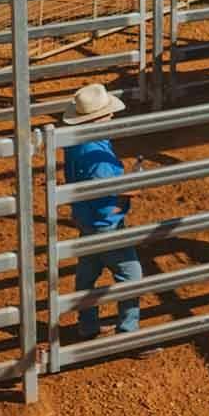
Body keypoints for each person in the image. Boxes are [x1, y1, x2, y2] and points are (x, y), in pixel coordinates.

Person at [59, 84, 144, 341]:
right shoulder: (95, 151)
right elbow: (116, 186)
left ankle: (87, 326)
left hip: (85, 219)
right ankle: (128, 333)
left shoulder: (75, 143)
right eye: (108, 114)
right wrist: (137, 181)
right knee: (131, 276)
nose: (112, 116)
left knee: (87, 273)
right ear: (97, 119)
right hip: (106, 221)